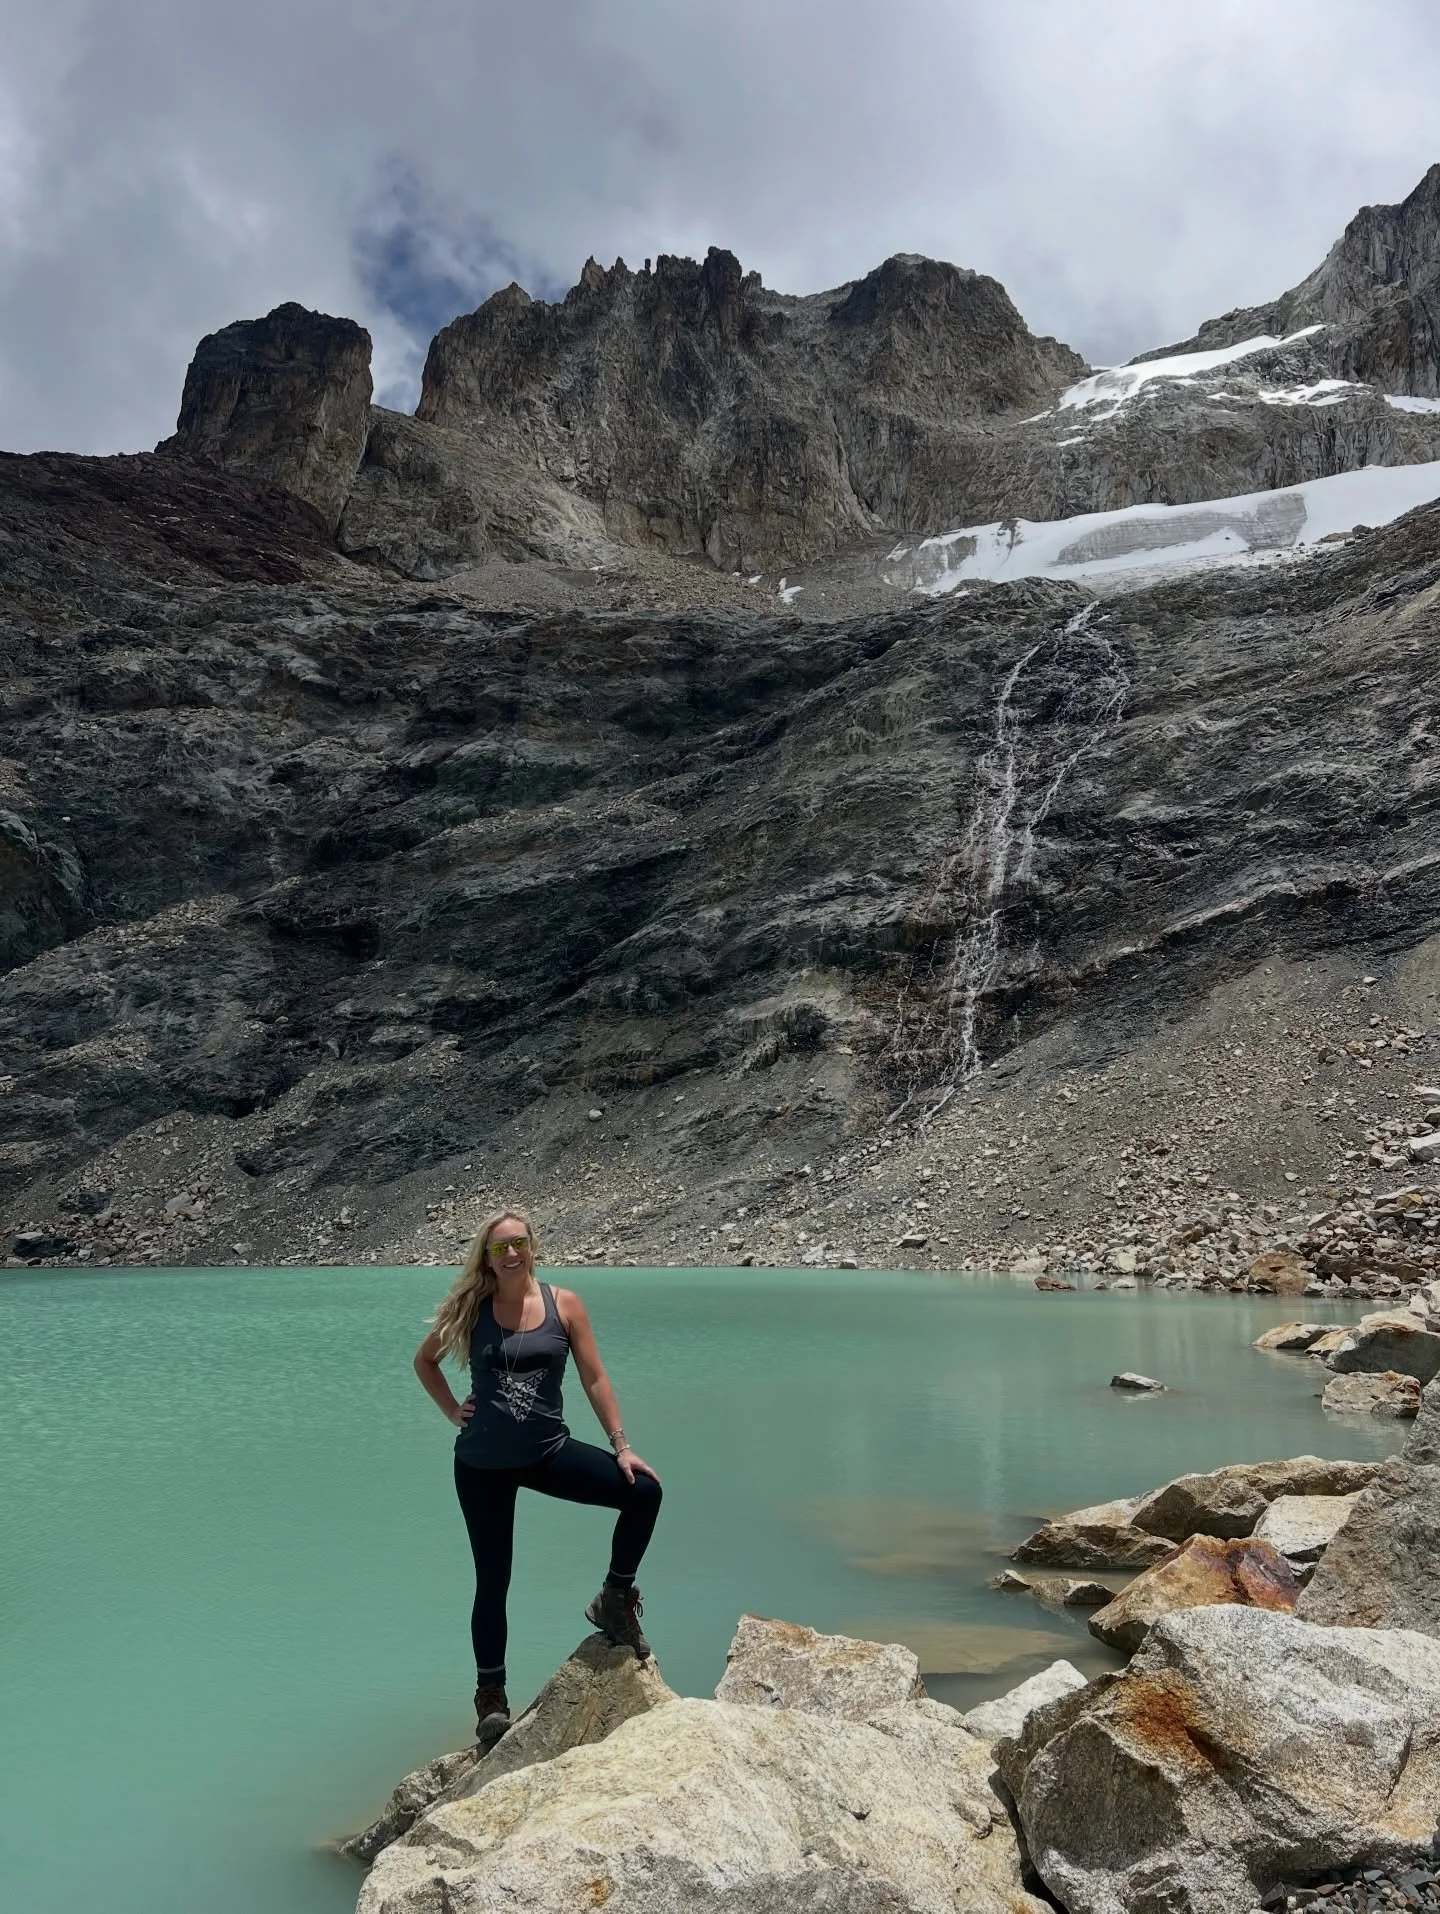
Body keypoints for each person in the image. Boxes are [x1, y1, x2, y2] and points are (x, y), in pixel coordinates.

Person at [413, 1207, 662, 1751]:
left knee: (644, 1492)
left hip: (548, 1453)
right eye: (499, 1247)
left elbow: (595, 1376)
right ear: (486, 1255)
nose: (510, 1254)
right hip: (481, 1466)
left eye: (518, 1243)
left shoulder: (563, 1304)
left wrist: (622, 1446)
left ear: (533, 1247)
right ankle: (491, 1699)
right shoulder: (469, 1308)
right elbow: (425, 1362)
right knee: (493, 1579)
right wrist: (453, 1410)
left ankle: (614, 1598)